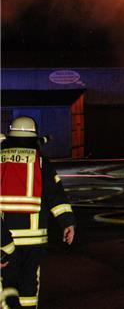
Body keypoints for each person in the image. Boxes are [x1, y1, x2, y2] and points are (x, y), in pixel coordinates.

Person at [1, 116, 76, 308]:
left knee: (6, 286)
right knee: (29, 286)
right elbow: (56, 195)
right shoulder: (41, 161)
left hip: (5, 239)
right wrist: (67, 222)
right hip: (33, 239)